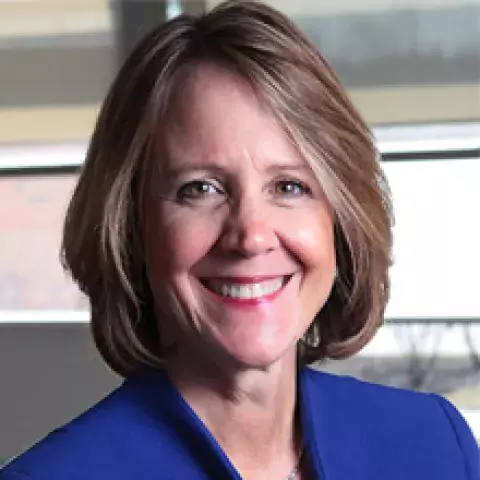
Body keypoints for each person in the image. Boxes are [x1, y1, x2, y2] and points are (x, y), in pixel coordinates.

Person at [1, 1, 478, 479]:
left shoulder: (435, 442)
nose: (251, 236)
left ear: (340, 219)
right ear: (130, 227)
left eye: (290, 186)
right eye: (200, 189)